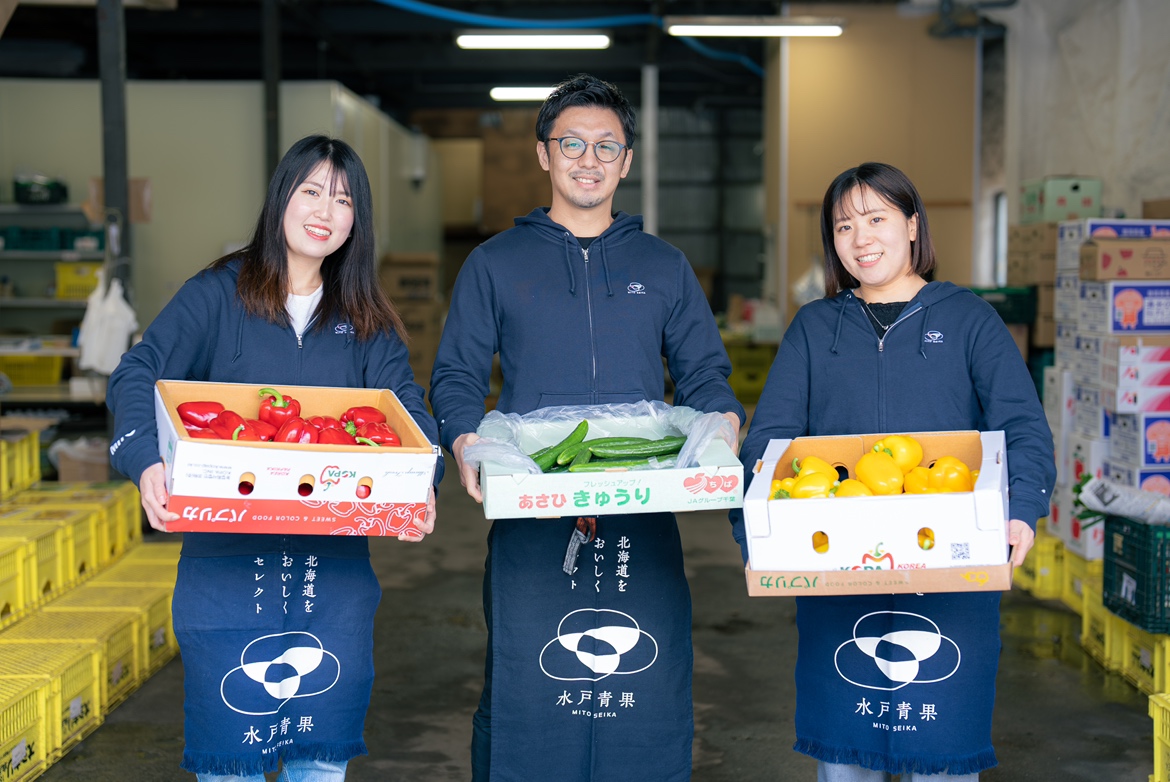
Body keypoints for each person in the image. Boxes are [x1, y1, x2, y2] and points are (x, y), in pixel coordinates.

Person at [429, 74, 745, 781]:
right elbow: (456, 375)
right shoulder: (495, 264)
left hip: (643, 506)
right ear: (545, 153)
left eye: (607, 146)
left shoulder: (663, 266)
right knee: (527, 683)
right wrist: (464, 438)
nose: (589, 159)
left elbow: (704, 373)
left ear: (627, 161)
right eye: (572, 143)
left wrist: (722, 422)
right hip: (533, 508)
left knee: (645, 682)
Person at [106, 134, 442, 781]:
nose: (325, 211)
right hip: (227, 570)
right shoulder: (217, 294)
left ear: (357, 220)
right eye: (311, 191)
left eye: (343, 200)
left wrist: (424, 478)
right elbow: (137, 372)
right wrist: (147, 460)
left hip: (332, 577)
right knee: (230, 757)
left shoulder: (365, 318)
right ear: (281, 196)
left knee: (319, 758)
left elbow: (406, 406)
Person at [732, 162, 1055, 781]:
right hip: (834, 563)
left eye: (876, 218)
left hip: (950, 562)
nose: (861, 238)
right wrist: (756, 531)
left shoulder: (967, 319)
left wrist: (1022, 509)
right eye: (844, 226)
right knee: (844, 757)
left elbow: (1022, 424)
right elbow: (768, 441)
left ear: (911, 224)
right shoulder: (814, 328)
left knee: (941, 751)